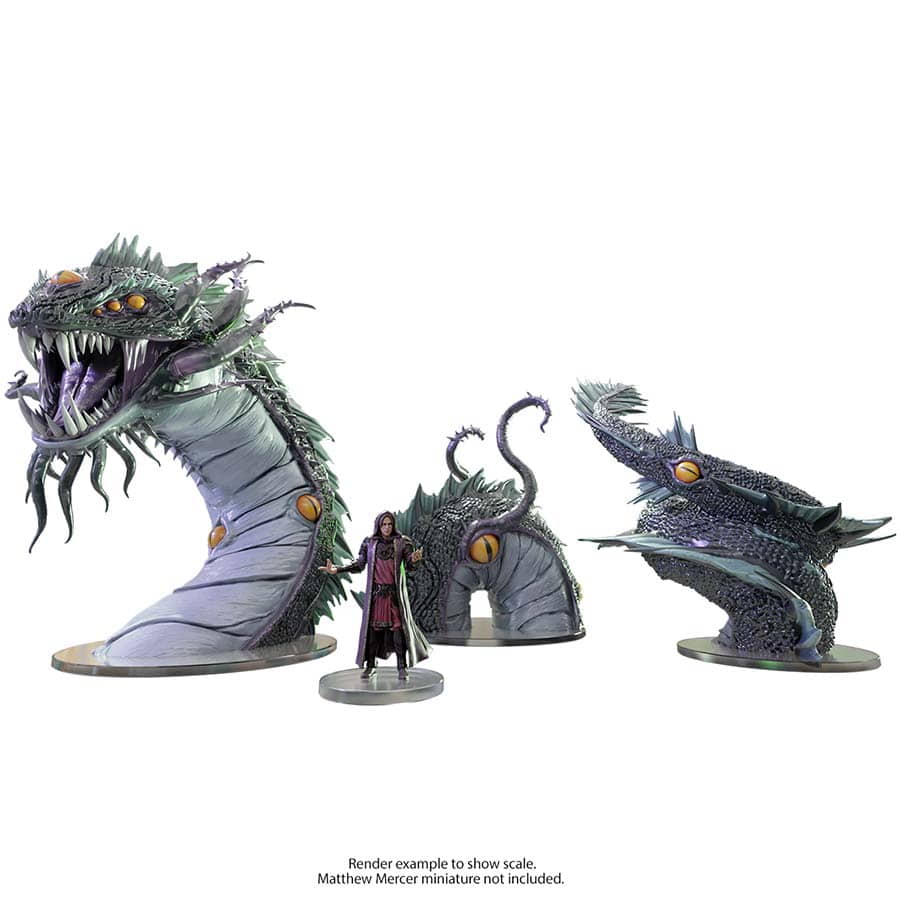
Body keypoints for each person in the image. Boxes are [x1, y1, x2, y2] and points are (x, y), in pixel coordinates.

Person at [320, 511, 431, 680]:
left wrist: (414, 559)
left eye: (389, 524)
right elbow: (359, 564)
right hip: (377, 597)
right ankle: (371, 665)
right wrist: (338, 569)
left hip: (394, 597)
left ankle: (402, 667)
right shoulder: (370, 543)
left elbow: (409, 564)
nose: (387, 527)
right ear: (378, 526)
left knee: (398, 633)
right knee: (373, 633)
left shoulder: (402, 542)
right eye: (383, 524)